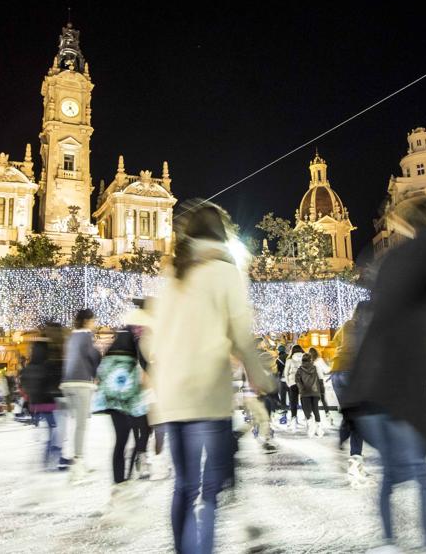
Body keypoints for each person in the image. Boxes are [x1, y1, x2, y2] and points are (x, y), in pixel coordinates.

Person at [145, 201, 275, 554]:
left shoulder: (173, 273)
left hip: (173, 394)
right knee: (211, 488)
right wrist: (260, 373)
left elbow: (152, 337)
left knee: (184, 487)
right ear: (221, 233)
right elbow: (241, 333)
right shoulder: (224, 271)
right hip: (207, 391)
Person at [344, 196, 426, 550]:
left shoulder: (389, 260)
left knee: (392, 476)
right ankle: (419, 545)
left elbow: (368, 318)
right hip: (398, 383)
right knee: (420, 474)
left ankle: (388, 542)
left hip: (369, 387)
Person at [94, 328, 148, 502]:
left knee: (119, 441)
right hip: (127, 404)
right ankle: (127, 476)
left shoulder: (108, 358)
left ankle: (117, 481)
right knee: (135, 437)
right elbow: (132, 387)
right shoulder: (131, 360)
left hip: (111, 404)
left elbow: (100, 376)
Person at [331, 303, 368, 486]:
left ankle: (342, 437)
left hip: (336, 372)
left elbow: (336, 342)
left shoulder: (346, 325)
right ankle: (355, 461)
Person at [61, 308, 101, 479]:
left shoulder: (71, 337)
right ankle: (78, 463)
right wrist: (96, 374)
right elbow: (93, 356)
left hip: (67, 382)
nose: (95, 324)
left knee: (75, 424)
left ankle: (77, 459)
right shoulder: (86, 336)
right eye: (93, 321)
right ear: (87, 322)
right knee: (81, 425)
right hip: (81, 383)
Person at [21, 338, 63, 469]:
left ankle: (44, 460)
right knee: (53, 434)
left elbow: (24, 385)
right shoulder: (48, 366)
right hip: (48, 405)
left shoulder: (29, 367)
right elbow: (54, 385)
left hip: (35, 405)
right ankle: (49, 460)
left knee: (43, 432)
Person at [296, 347, 326, 437]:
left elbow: (298, 381)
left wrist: (301, 389)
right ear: (310, 360)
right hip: (315, 392)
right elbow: (320, 379)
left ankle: (311, 427)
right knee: (316, 410)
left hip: (305, 393)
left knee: (307, 411)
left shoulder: (299, 370)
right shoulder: (315, 368)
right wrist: (321, 392)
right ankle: (319, 428)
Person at [282, 344, 305, 432]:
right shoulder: (304, 358)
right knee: (304, 402)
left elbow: (286, 372)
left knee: (293, 402)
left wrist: (288, 382)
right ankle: (308, 420)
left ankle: (294, 420)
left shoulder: (289, 360)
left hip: (293, 383)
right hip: (303, 383)